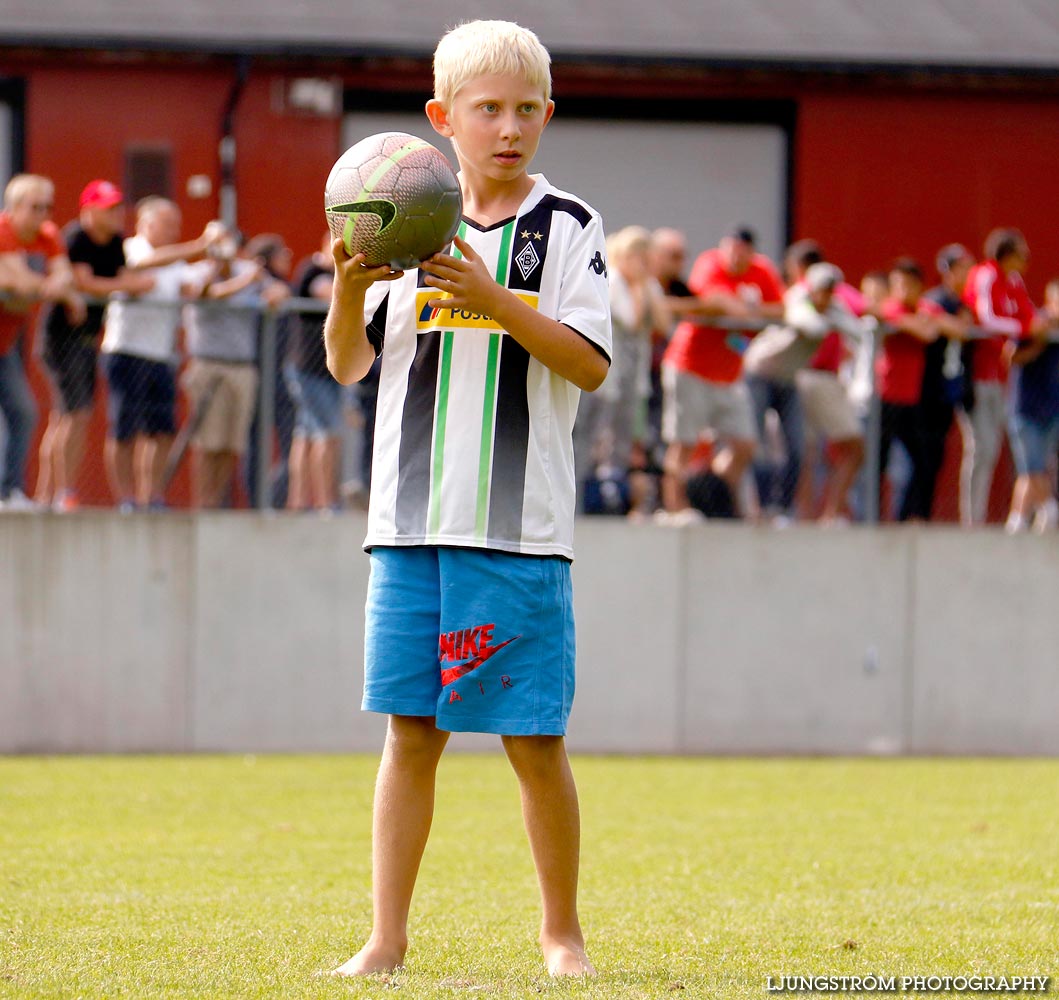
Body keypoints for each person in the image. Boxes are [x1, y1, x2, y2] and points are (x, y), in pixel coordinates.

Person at [322, 19, 610, 979]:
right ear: (443, 118)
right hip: (406, 527)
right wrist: (342, 288)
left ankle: (560, 935)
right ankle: (385, 939)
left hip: (516, 532)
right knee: (410, 737)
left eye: (527, 109)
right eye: (487, 108)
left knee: (532, 741)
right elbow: (349, 364)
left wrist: (494, 301)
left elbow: (590, 365)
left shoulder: (567, 227)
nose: (508, 126)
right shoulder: (394, 222)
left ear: (547, 117)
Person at [35, 179, 153, 511]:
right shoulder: (76, 237)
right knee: (75, 414)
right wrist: (122, 285)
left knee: (68, 416)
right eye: (108, 208)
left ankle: (51, 494)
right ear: (89, 210)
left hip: (88, 339)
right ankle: (62, 492)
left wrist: (120, 284)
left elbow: (121, 279)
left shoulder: (115, 242)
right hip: (62, 339)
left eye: (117, 206)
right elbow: (87, 282)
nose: (116, 213)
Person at [100, 197, 221, 510]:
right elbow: (141, 266)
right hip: (126, 351)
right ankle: (125, 498)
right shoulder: (130, 248)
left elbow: (195, 290)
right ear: (147, 223)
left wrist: (216, 262)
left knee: (161, 429)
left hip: (161, 356)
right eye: (167, 224)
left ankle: (151, 496)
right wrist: (198, 246)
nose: (173, 231)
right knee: (124, 429)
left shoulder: (176, 262)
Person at [659, 225, 784, 519]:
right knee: (683, 442)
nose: (735, 258)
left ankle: (709, 492)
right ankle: (675, 507)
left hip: (729, 375)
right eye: (731, 251)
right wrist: (745, 311)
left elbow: (780, 309)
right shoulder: (709, 263)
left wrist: (744, 310)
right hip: (690, 367)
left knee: (745, 444)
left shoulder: (762, 270)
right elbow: (711, 302)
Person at [743, 261, 867, 523]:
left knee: (796, 447)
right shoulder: (798, 300)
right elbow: (811, 325)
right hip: (761, 374)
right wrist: (833, 317)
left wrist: (837, 316)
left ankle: (783, 509)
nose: (825, 296)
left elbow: (857, 333)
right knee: (758, 444)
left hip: (788, 379)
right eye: (821, 289)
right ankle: (758, 509)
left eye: (830, 291)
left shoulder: (832, 308)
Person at [181, 229, 288, 508]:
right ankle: (201, 505)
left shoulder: (247, 270)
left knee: (231, 444)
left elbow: (280, 291)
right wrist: (241, 280)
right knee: (208, 443)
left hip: (242, 367)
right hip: (209, 365)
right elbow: (206, 294)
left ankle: (215, 503)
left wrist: (268, 292)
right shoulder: (197, 272)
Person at [0, 174, 85, 510]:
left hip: (4, 347)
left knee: (23, 412)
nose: (43, 215)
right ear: (14, 207)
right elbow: (12, 279)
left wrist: (57, 287)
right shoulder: (3, 231)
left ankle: (8, 492)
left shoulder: (47, 235)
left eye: (47, 207)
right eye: (35, 208)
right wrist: (52, 288)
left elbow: (63, 273)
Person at [574, 224, 666, 515]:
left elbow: (664, 325)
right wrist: (641, 289)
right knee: (589, 440)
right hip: (604, 381)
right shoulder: (612, 280)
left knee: (623, 444)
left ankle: (613, 501)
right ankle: (579, 504)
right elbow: (633, 319)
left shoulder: (646, 285)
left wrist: (648, 286)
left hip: (631, 382)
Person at [876, 258, 963, 521]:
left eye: (908, 285)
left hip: (911, 400)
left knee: (923, 461)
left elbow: (958, 328)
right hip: (886, 397)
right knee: (878, 462)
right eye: (898, 285)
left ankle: (906, 517)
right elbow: (922, 332)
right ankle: (869, 516)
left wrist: (928, 322)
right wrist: (920, 323)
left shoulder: (925, 307)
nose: (903, 290)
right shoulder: (890, 307)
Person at [961, 228, 1037, 526]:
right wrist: (1023, 330)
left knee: (1006, 448)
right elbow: (986, 317)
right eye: (1021, 253)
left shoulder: (1013, 280)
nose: (1026, 259)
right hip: (979, 374)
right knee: (982, 448)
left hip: (1004, 376)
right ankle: (973, 520)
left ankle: (1013, 515)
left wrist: (1031, 326)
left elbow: (1027, 313)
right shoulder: (986, 274)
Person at [285, 234, 342, 512]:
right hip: (308, 369)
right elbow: (330, 292)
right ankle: (324, 502)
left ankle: (299, 502)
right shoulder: (312, 270)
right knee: (325, 433)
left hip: (327, 371)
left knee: (306, 433)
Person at [920, 243, 974, 523]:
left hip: (950, 391)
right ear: (949, 272)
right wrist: (948, 322)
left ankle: (924, 517)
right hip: (926, 392)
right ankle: (914, 517)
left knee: (937, 456)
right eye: (964, 268)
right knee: (922, 458)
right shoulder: (935, 299)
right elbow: (942, 324)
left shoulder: (964, 304)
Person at [1002, 277, 1056, 533]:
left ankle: (1018, 519)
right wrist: (1039, 342)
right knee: (1030, 464)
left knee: (1033, 467)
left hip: (1052, 410)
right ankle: (1049, 508)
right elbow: (1011, 357)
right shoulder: (1033, 324)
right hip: (1024, 409)